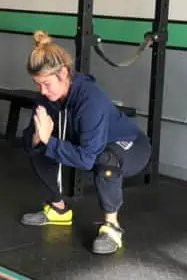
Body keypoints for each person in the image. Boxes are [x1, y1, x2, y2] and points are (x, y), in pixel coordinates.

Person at [19, 31, 151, 255]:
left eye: (47, 84)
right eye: (37, 84)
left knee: (105, 160)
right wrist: (38, 139)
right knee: (36, 145)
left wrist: (48, 140)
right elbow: (31, 139)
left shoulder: (90, 99)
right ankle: (58, 209)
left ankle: (111, 227)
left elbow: (88, 158)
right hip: (89, 146)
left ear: (64, 73)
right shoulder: (46, 98)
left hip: (129, 146)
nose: (42, 91)